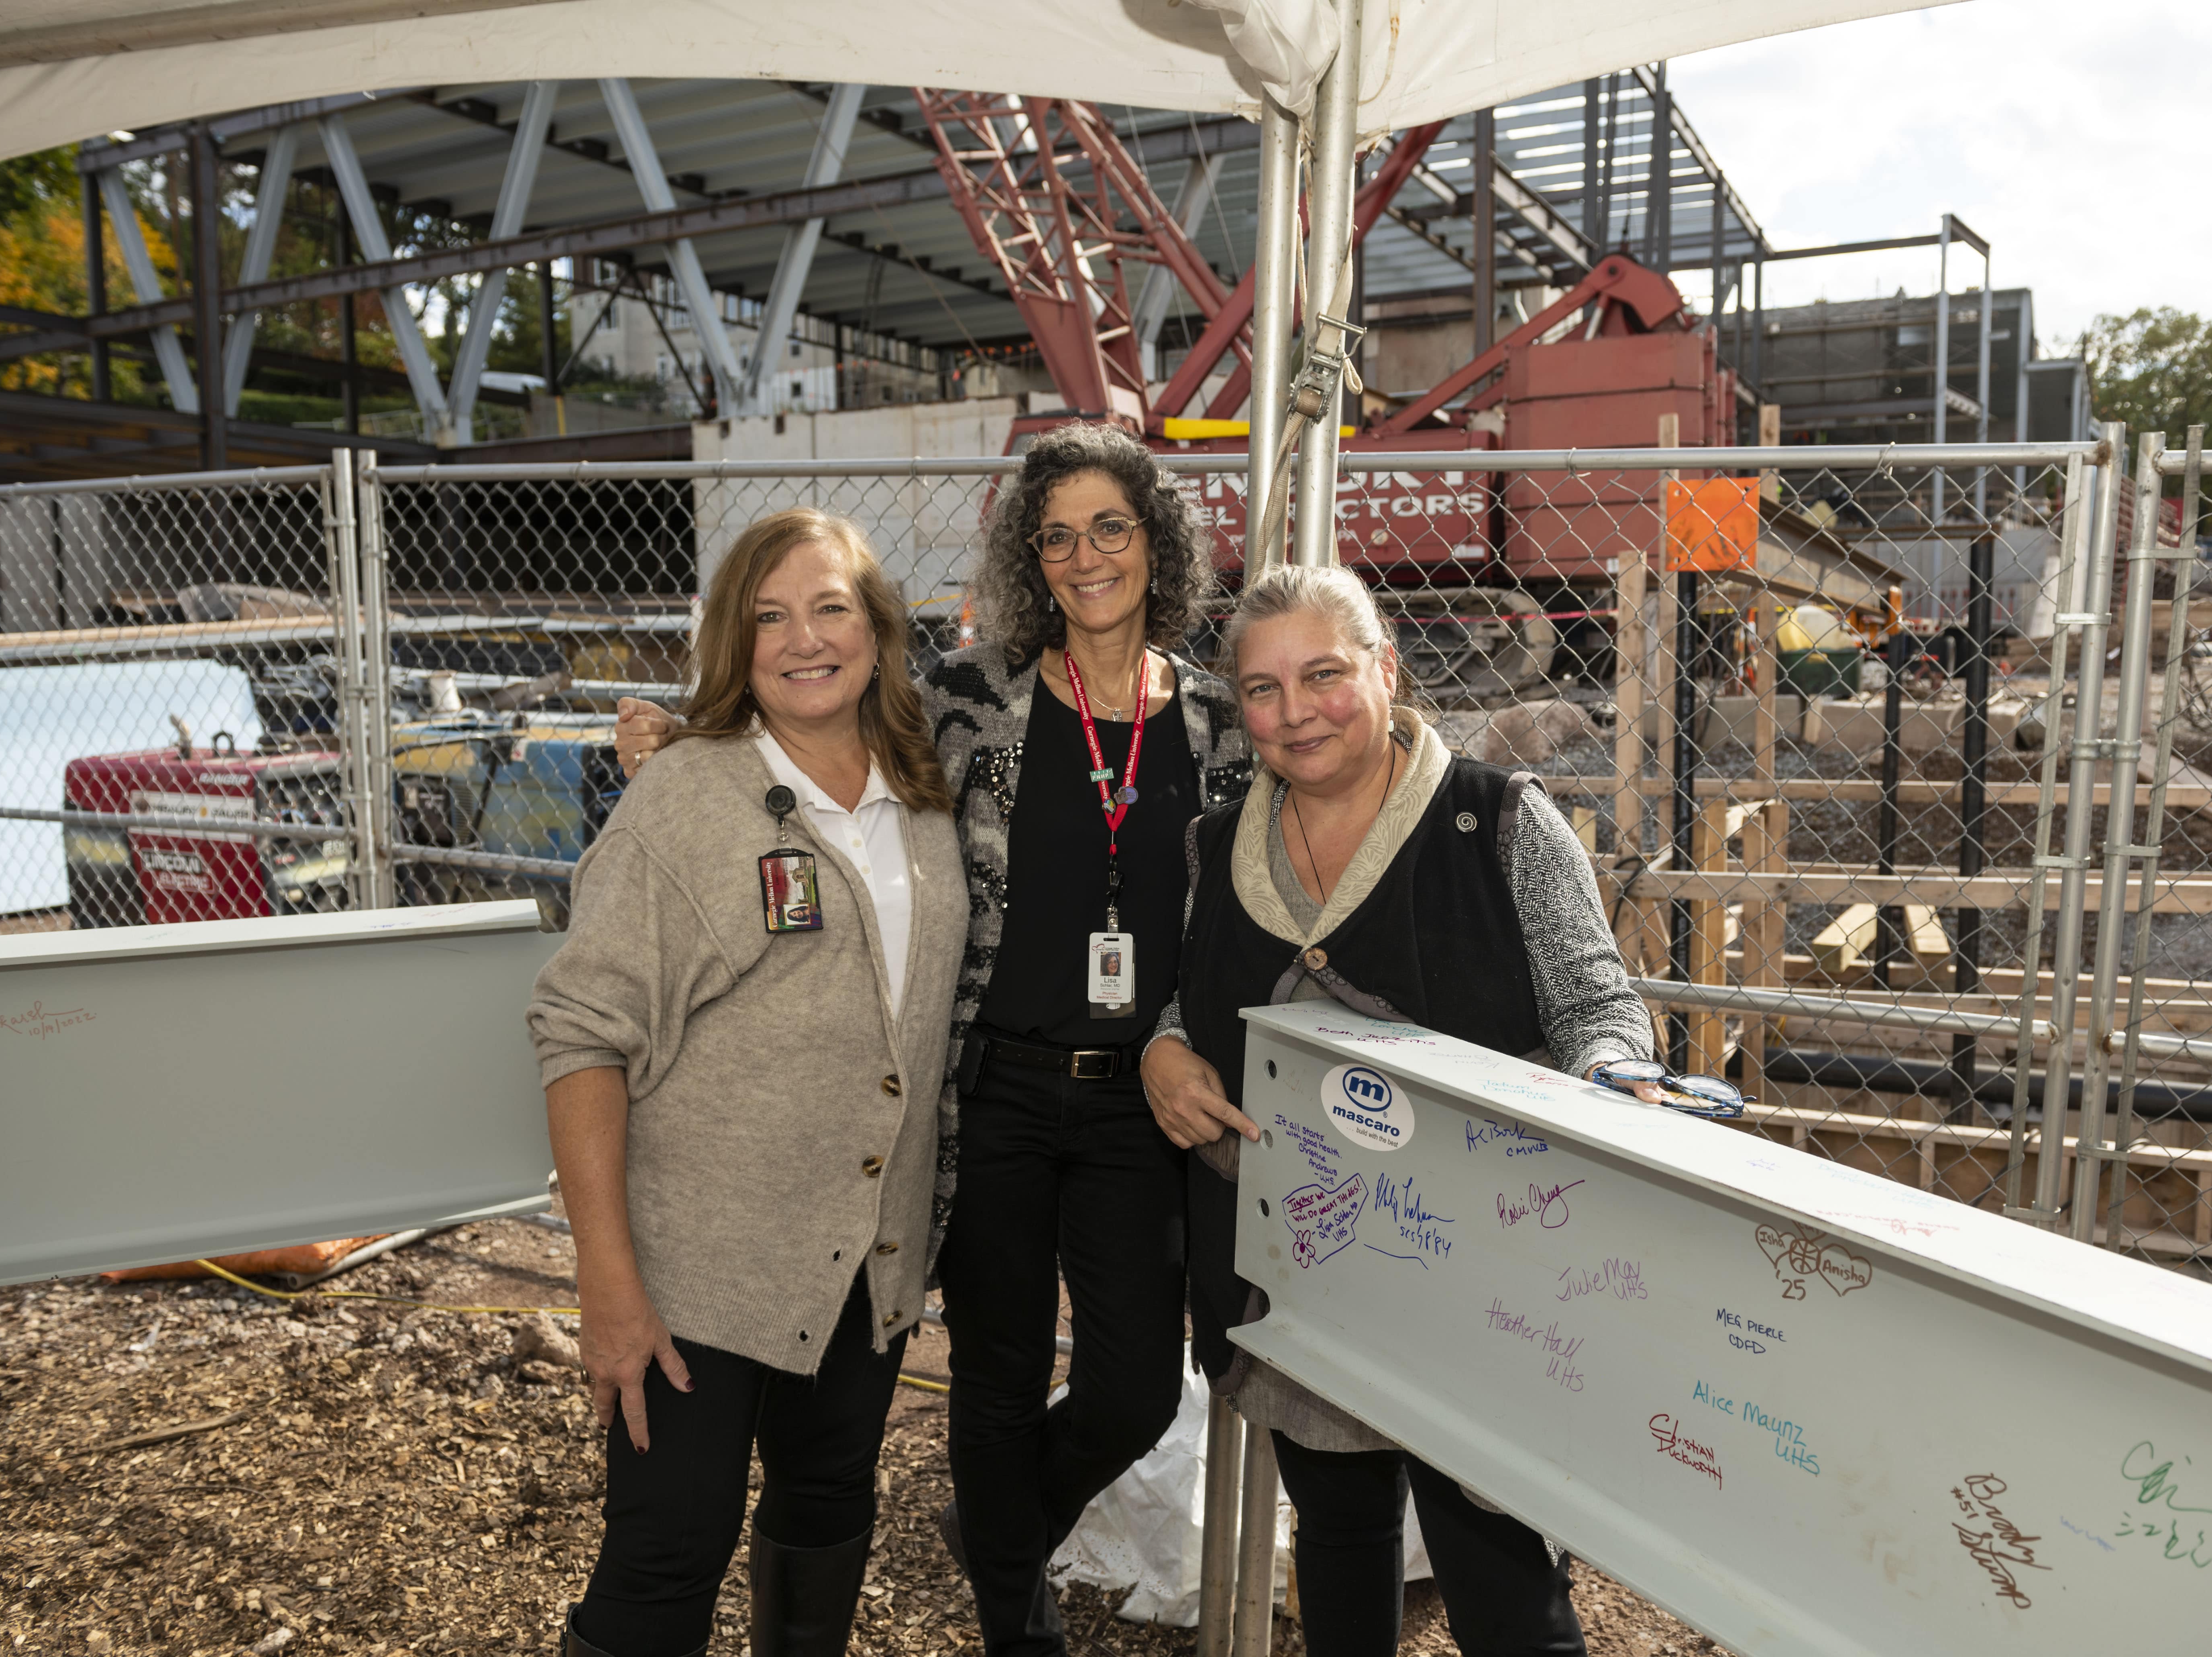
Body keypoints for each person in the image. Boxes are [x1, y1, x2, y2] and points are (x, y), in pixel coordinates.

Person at [610, 423, 1253, 1657]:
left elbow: (1239, 916)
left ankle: (996, 1531)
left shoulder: (1217, 728)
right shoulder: (969, 698)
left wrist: (1174, 1027)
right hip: (992, 1089)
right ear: (1031, 557)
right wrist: (672, 747)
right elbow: (808, 723)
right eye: (1055, 536)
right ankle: (1021, 1628)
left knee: (1126, 1390)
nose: (1085, 556)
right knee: (997, 1378)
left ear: (1155, 541)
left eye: (1110, 528)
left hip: (1142, 1100)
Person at [1139, 564, 1660, 1657]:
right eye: (1265, 691)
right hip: (1306, 1262)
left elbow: (1596, 1002)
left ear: (1385, 669)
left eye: (1324, 675)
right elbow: (1187, 1004)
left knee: (1501, 1567)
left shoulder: (1497, 822)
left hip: (1482, 1276)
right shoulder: (1215, 845)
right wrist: (1167, 1053)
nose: (1297, 713)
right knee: (1337, 1532)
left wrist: (1612, 1077)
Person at [529, 508, 969, 1657]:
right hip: (697, 1272)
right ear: (735, 641)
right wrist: (609, 1286)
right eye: (768, 616)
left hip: (863, 1262)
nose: (803, 639)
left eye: (831, 608)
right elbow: (579, 1032)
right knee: (668, 1551)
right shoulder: (689, 798)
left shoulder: (924, 797)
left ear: (877, 629)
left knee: (827, 1512)